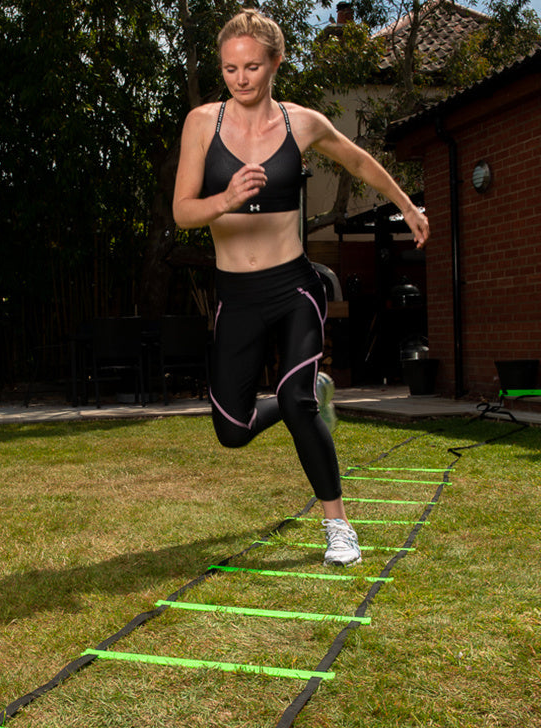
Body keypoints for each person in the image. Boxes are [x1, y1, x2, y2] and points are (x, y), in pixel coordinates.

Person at [172, 8, 429, 567]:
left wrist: (408, 205)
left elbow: (358, 161)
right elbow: (182, 211)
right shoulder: (201, 124)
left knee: (293, 399)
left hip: (293, 286)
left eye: (252, 67)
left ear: (275, 62)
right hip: (235, 294)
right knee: (232, 432)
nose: (240, 78)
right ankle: (315, 393)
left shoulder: (301, 123)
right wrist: (226, 200)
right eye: (230, 68)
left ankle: (338, 525)